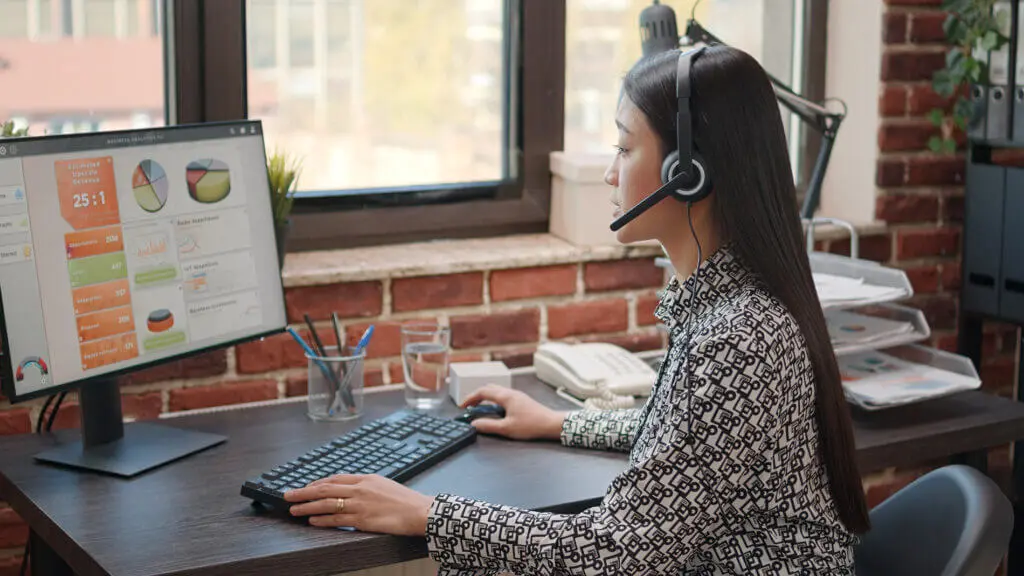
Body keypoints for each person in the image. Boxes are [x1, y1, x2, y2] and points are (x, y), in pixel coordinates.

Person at [283, 44, 871, 575]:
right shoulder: (725, 301)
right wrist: (558, 422)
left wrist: (427, 514)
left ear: (687, 174)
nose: (611, 172)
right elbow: (684, 449)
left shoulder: (741, 334)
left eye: (623, 146)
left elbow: (619, 550)